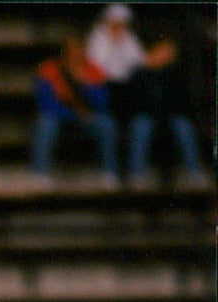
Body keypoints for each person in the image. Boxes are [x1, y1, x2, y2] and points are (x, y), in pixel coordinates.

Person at [84, 3, 204, 185]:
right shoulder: (137, 71)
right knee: (141, 125)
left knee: (183, 125)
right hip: (137, 109)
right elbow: (109, 75)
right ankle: (136, 173)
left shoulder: (173, 72)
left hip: (169, 113)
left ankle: (195, 172)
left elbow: (180, 100)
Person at [30, 36, 119, 186]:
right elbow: (45, 104)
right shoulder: (49, 69)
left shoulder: (93, 70)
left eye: (79, 50)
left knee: (107, 123)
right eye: (71, 50)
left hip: (87, 119)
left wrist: (85, 84)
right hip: (60, 116)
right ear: (63, 52)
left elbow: (103, 103)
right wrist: (74, 114)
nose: (75, 54)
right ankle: (40, 174)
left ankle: (108, 173)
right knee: (45, 123)